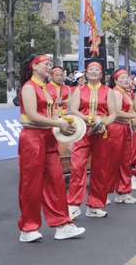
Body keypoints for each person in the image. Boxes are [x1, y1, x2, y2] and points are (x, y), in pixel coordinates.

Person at [17, 54, 85, 242]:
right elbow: (32, 115)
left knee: (55, 181)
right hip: (32, 138)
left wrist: (65, 122)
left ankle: (62, 224)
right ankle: (27, 229)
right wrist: (59, 124)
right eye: (46, 64)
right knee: (31, 184)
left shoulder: (47, 88)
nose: (49, 67)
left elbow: (52, 114)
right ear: (35, 67)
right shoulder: (29, 87)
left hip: (48, 137)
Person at [67, 62, 117, 219]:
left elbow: (113, 113)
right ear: (86, 74)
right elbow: (73, 110)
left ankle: (95, 205)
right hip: (83, 132)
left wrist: (102, 124)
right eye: (91, 70)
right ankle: (73, 205)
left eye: (97, 70)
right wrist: (89, 119)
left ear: (101, 74)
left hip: (101, 133)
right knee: (77, 167)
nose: (94, 72)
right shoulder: (79, 90)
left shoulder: (108, 92)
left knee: (100, 169)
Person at [107, 69, 136, 204]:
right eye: (122, 78)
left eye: (127, 77)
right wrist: (134, 115)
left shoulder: (125, 92)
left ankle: (123, 192)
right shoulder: (116, 92)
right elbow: (116, 112)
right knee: (113, 162)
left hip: (124, 128)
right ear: (116, 80)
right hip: (116, 128)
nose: (125, 79)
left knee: (125, 162)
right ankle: (103, 193)